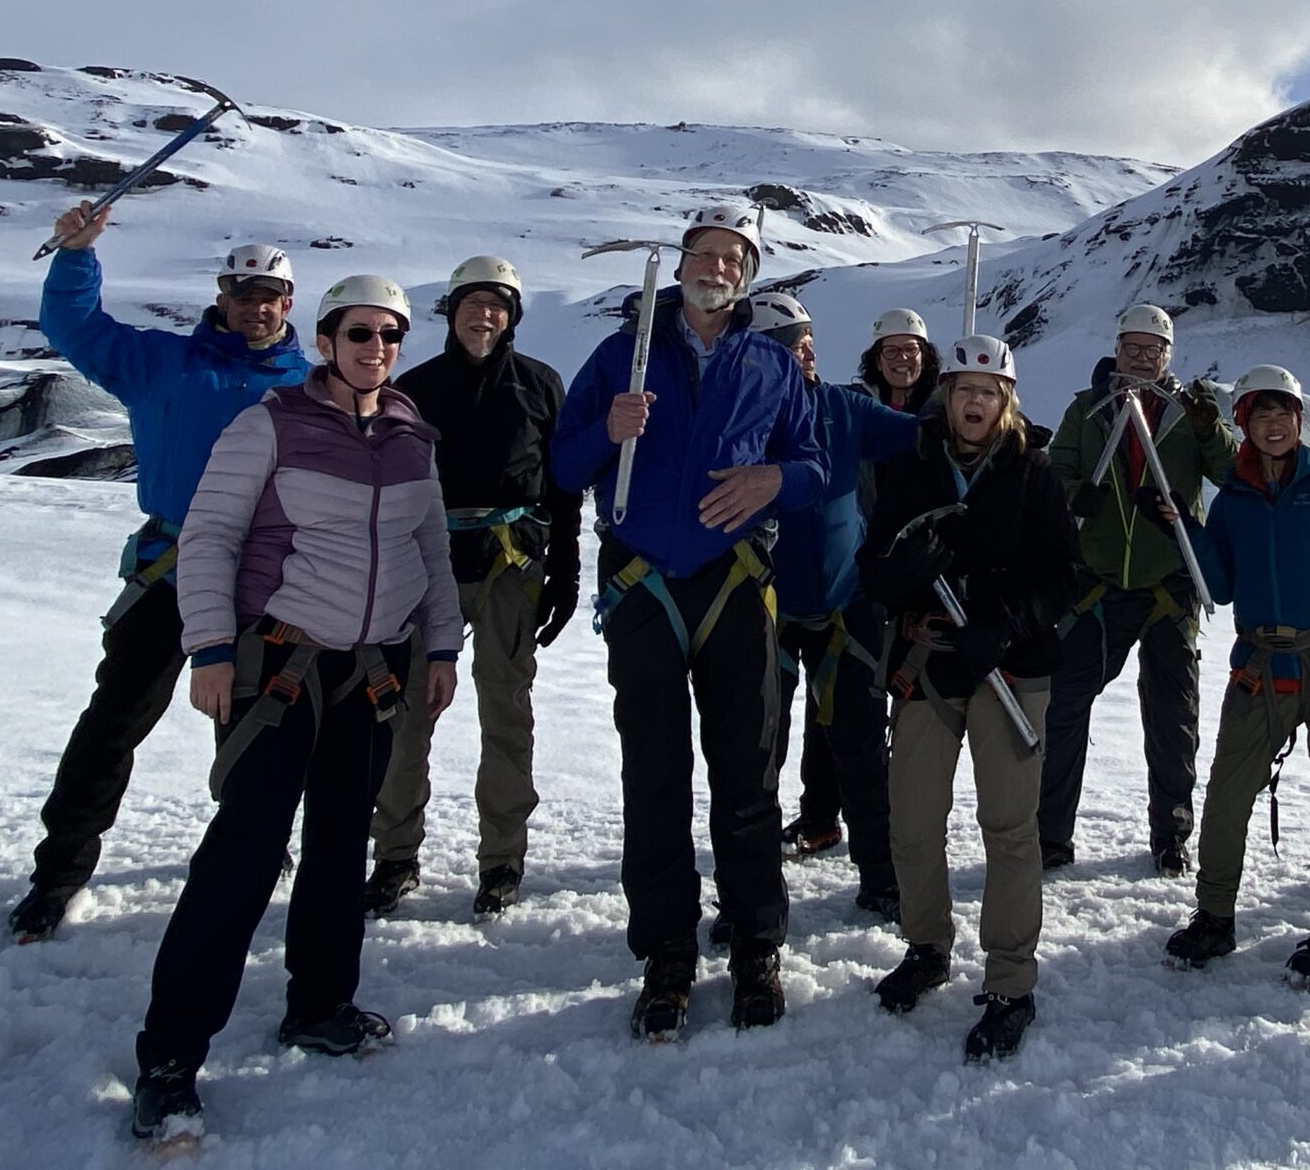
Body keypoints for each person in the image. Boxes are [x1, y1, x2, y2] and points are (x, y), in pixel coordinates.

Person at [128, 275, 461, 1141]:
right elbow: (210, 537)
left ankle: (321, 1004)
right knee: (244, 851)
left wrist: (440, 646)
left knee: (341, 842)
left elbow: (429, 546)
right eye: (359, 333)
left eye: (390, 335)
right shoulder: (268, 425)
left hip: (372, 669)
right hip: (278, 665)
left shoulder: (409, 432)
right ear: (324, 340)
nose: (376, 348)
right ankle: (170, 1058)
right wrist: (207, 647)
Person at [551, 203, 825, 1039]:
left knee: (748, 772)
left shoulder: (773, 366)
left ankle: (754, 939)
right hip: (643, 586)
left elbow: (814, 465)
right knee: (656, 774)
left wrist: (773, 482)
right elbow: (563, 466)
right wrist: (608, 427)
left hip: (735, 587)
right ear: (681, 264)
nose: (717, 266)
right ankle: (666, 951)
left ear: (750, 271)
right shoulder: (622, 355)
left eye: (734, 255)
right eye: (704, 253)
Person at [8, 211, 310, 943]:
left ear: (289, 303)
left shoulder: (313, 385)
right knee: (117, 718)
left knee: (254, 723)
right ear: (222, 295)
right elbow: (78, 329)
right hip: (172, 568)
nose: (256, 304)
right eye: (244, 291)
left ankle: (255, 846)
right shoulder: (165, 363)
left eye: (270, 293)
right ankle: (60, 874)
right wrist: (77, 255)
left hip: (261, 577)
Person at [860, 335, 1076, 1061]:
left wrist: (1005, 625)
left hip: (1012, 670)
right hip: (929, 661)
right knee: (914, 821)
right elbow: (874, 561)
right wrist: (896, 578)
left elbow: (1062, 577)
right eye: (961, 390)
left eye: (988, 392)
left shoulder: (1033, 473)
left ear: (1005, 400)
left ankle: (1011, 978)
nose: (974, 403)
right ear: (945, 397)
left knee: (1009, 828)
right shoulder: (913, 468)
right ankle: (927, 945)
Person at [365, 256, 583, 920]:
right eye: (472, 304)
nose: (483, 315)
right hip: (423, 566)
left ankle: (502, 861)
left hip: (510, 569)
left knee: (506, 716)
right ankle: (395, 854)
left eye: (497, 305)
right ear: (452, 311)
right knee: (405, 716)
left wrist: (566, 571)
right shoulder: (415, 389)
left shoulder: (541, 386)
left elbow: (564, 488)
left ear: (511, 315)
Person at [1165, 366, 1310, 990]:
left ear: (1299, 420)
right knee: (1227, 796)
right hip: (1259, 670)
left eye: (1284, 414)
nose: (1274, 424)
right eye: (1260, 415)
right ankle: (1213, 914)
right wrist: (1185, 529)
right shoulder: (1234, 501)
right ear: (1244, 425)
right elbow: (1222, 586)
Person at [1039, 303, 1237, 875]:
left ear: (1168, 354)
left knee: (1173, 717)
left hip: (1170, 586)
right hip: (1097, 587)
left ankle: (1171, 833)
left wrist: (1210, 429)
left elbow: (1230, 473)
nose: (1142, 357)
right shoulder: (1088, 409)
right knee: (1065, 706)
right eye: (1134, 347)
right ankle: (1050, 832)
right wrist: (1078, 493)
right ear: (1118, 347)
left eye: (1154, 350)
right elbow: (1058, 472)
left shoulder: (1188, 413)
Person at [749, 290, 917, 911]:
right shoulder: (736, 421)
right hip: (761, 609)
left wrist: (979, 420)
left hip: (847, 606)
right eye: (793, 346)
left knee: (862, 746)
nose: (808, 353)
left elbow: (920, 436)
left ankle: (882, 878)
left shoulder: (844, 409)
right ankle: (753, 889)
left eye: (809, 341)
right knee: (757, 752)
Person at [857, 308, 940, 415]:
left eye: (910, 349)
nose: (902, 357)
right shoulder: (859, 407)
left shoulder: (945, 409)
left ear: (924, 358)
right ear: (878, 362)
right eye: (891, 351)